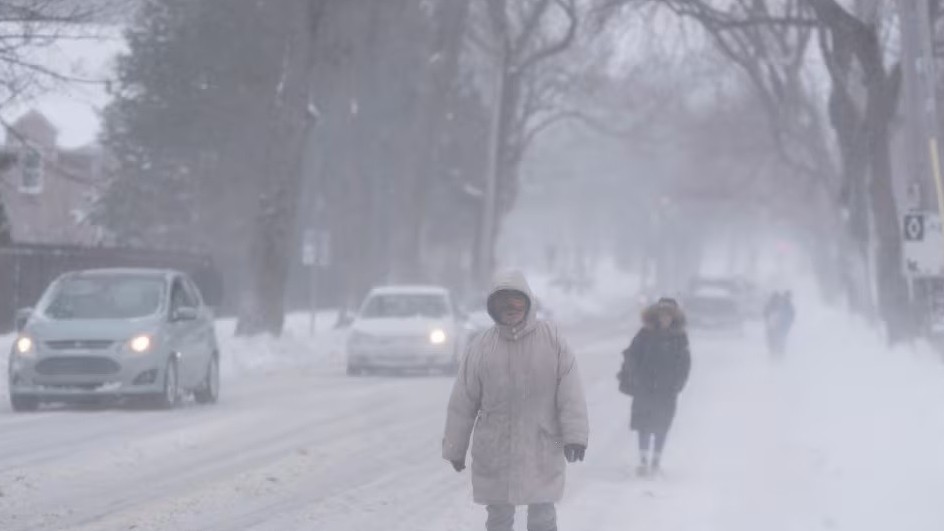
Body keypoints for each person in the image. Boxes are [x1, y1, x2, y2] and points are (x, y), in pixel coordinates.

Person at [443, 271, 589, 531]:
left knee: (543, 513)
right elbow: (462, 402)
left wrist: (574, 435)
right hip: (495, 446)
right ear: (492, 308)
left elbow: (571, 391)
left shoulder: (552, 341)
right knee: (498, 515)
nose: (510, 310)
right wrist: (455, 446)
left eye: (516, 303)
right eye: (502, 304)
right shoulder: (481, 347)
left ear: (528, 303)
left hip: (545, 441)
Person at [617, 297, 691, 477]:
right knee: (644, 424)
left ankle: (655, 461)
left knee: (661, 425)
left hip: (667, 391)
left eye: (668, 316)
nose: (664, 319)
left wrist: (677, 384)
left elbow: (684, 364)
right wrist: (634, 376)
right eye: (661, 315)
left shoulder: (679, 339)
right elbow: (632, 355)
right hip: (645, 388)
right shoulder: (644, 334)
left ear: (674, 318)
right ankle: (643, 461)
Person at [764, 291, 796, 357]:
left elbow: (790, 316)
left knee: (778, 344)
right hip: (775, 329)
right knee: (775, 344)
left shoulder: (783, 306)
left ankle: (777, 358)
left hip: (779, 328)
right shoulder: (779, 305)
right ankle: (776, 358)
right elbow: (766, 315)